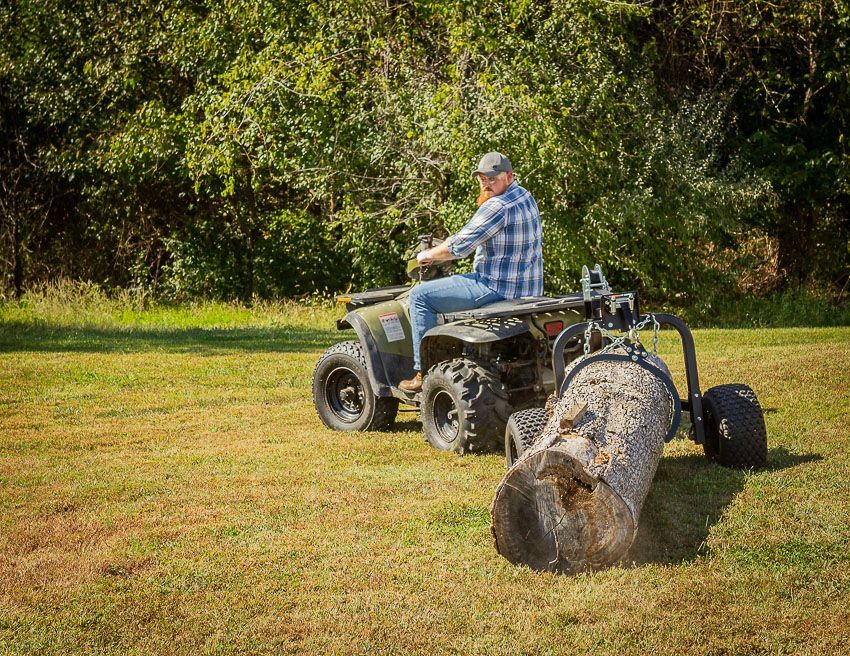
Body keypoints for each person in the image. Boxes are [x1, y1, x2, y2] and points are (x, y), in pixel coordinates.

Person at [399, 151, 543, 392]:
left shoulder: (498, 206)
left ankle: (425, 373)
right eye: (482, 179)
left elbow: (459, 246)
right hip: (528, 289)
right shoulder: (525, 196)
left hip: (495, 287)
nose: (486, 184)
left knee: (419, 296)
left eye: (492, 179)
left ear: (509, 176)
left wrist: (427, 255)